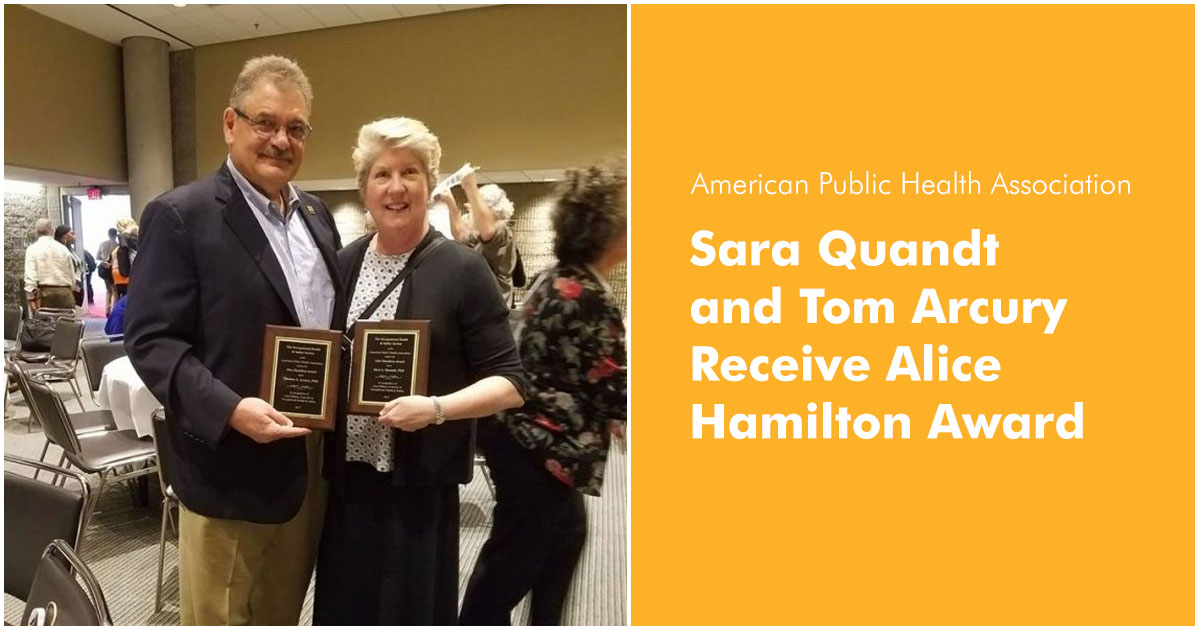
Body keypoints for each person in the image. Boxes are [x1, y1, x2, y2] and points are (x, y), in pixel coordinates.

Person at [124, 55, 341, 625]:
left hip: (309, 463)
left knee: (280, 611)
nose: (280, 139)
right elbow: (151, 340)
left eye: (296, 128)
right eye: (265, 122)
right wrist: (231, 409)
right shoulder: (181, 215)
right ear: (230, 123)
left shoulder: (317, 216)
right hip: (231, 466)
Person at [314, 117, 525, 625]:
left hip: (418, 486)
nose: (395, 187)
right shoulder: (343, 264)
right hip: (347, 479)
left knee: (408, 607)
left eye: (409, 172)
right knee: (347, 605)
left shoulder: (463, 269)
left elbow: (511, 383)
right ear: (364, 188)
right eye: (381, 174)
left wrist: (435, 409)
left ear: (429, 185)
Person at [460, 161, 628, 626]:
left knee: (563, 541)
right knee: (508, 568)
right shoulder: (588, 296)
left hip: (525, 442)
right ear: (610, 229)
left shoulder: (555, 277)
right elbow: (616, 392)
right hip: (537, 447)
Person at [445, 173, 519, 303]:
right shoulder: (479, 237)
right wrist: (450, 203)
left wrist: (470, 188)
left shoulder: (503, 231)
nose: (470, 215)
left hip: (493, 313)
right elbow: (459, 234)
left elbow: (488, 232)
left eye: (473, 211)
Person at [23, 218, 79, 311]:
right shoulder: (63, 249)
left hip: (45, 295)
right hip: (65, 293)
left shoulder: (32, 249)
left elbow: (30, 276)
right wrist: (70, 289)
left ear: (36, 232)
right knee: (66, 324)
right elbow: (71, 273)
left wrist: (31, 298)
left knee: (46, 324)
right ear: (52, 230)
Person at [53, 225, 85, 307]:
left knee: (77, 313)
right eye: (72, 234)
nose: (74, 236)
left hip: (77, 285)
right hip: (68, 288)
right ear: (64, 236)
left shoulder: (70, 249)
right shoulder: (60, 251)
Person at [97, 227, 118, 314]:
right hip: (114, 269)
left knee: (108, 290)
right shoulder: (118, 245)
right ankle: (114, 309)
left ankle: (107, 309)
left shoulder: (103, 244)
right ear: (116, 235)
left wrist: (104, 261)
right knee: (115, 290)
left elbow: (97, 256)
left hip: (105, 269)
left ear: (108, 234)